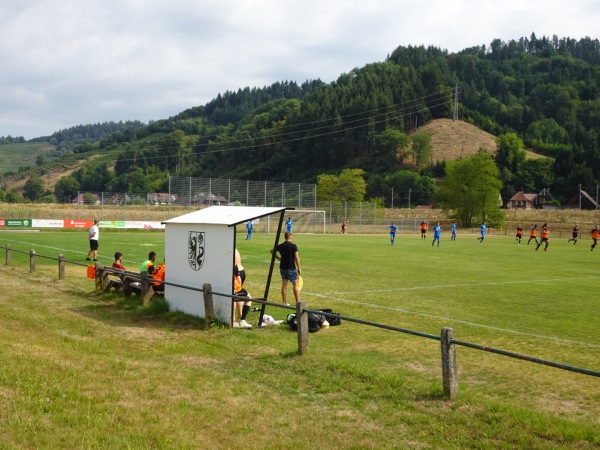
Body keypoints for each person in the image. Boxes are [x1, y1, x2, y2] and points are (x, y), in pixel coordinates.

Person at [270, 232, 301, 306]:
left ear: (284, 237)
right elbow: (296, 258)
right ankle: (298, 303)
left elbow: (271, 251)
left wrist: (278, 258)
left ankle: (284, 302)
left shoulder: (281, 246)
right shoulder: (293, 246)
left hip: (282, 267)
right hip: (291, 268)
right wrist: (299, 268)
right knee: (295, 285)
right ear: (291, 237)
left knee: (284, 285)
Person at [234, 248, 252, 328]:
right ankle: (240, 317)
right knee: (239, 296)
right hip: (239, 273)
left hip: (238, 273)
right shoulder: (234, 249)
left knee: (236, 297)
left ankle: (238, 315)